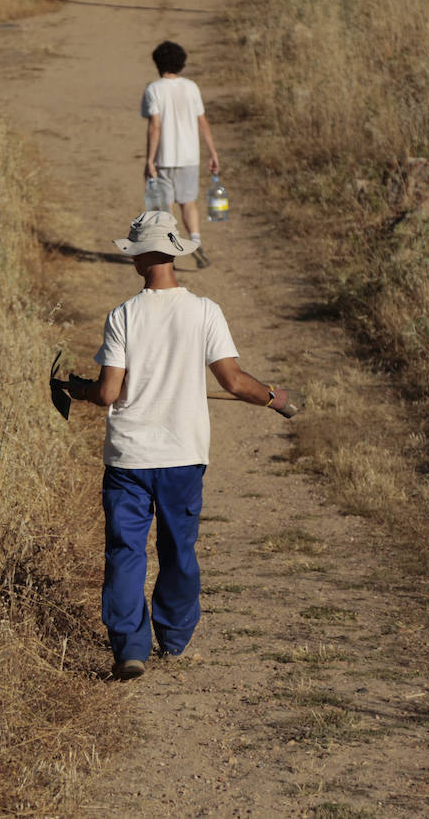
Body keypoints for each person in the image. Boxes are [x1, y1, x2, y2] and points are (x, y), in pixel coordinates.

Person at [52, 211, 298, 680]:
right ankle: (176, 637)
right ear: (175, 255)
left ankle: (130, 648)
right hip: (183, 456)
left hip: (128, 459)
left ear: (143, 257)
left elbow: (108, 393)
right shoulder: (205, 311)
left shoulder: (123, 315)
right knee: (178, 550)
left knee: (126, 552)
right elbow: (233, 380)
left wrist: (75, 389)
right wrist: (274, 398)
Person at [141, 40, 220, 269]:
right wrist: (213, 152)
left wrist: (149, 160)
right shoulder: (191, 87)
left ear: (157, 63)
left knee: (165, 207)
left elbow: (155, 126)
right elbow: (202, 122)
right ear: (182, 64)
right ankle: (195, 241)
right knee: (189, 202)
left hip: (164, 158)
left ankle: (168, 250)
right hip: (190, 156)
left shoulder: (153, 89)